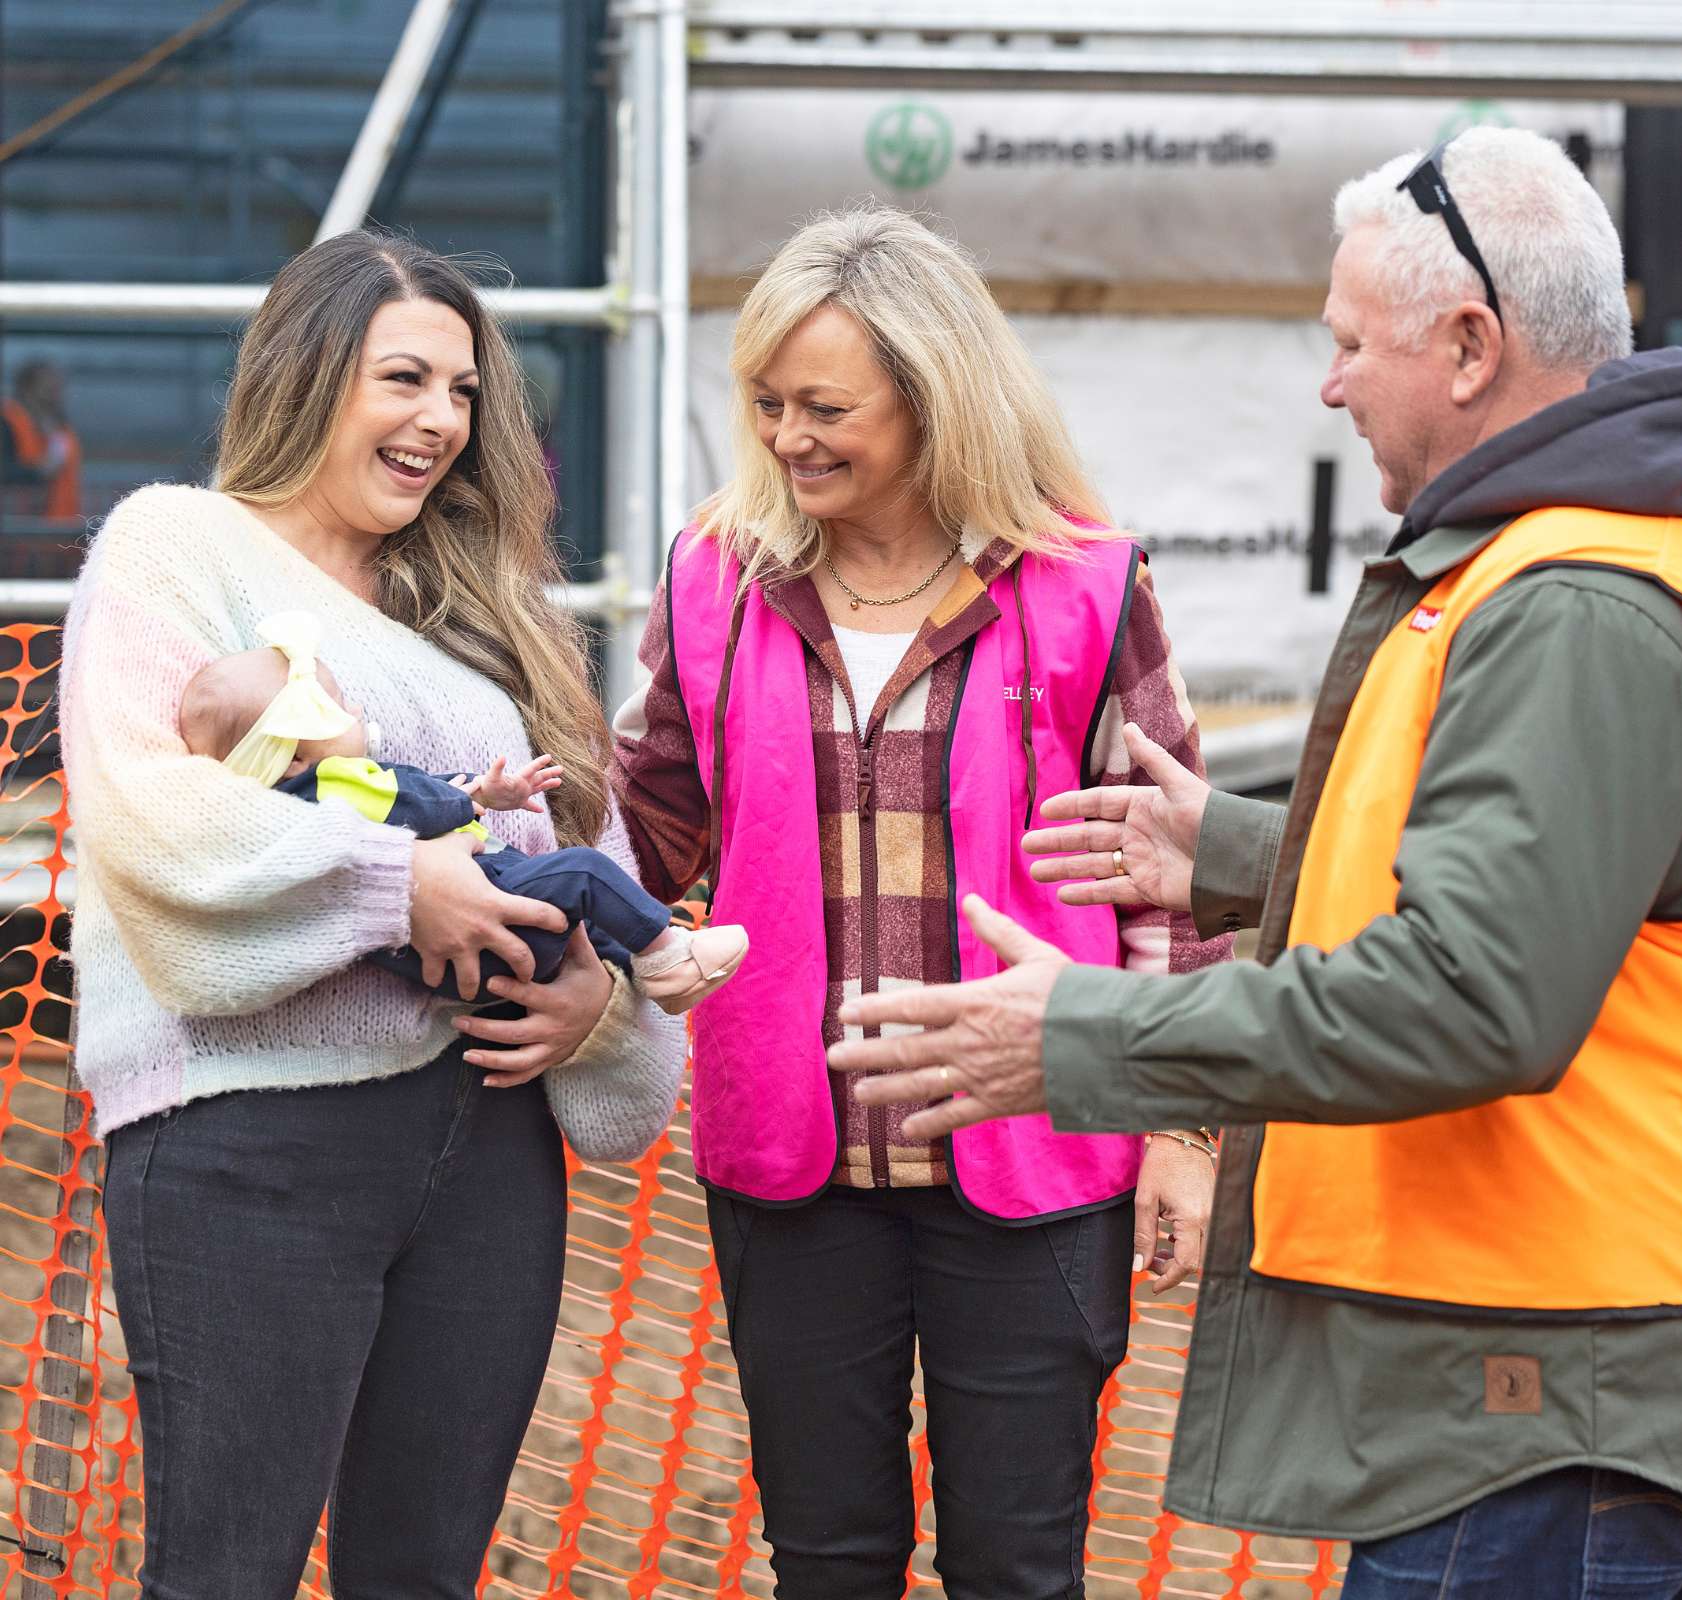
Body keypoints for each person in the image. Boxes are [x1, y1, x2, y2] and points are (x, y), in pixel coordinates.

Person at [829, 128, 1682, 1600]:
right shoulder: (1659, 550)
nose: (1330, 386)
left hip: (1570, 1411)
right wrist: (1249, 855)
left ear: (1468, 345)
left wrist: (1082, 1036)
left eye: (1348, 344)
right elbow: (1593, 888)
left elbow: (1467, 996)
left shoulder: (1580, 599)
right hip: (1636, 1380)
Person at [609, 203, 1232, 1600]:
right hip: (792, 1159)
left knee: (1019, 1567)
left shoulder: (1085, 586)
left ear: (934, 399)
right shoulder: (713, 580)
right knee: (827, 1562)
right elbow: (647, 824)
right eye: (766, 403)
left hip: (1036, 1159)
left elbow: (1173, 881)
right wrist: (521, 849)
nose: (788, 437)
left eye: (827, 405)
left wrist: (1185, 1125)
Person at [60, 229, 685, 1599]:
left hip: (491, 1158)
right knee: (230, 1571)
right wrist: (397, 883)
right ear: (309, 370)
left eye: (462, 393)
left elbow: (601, 863)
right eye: (405, 378)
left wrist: (598, 1010)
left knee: (423, 1575)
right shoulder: (178, 546)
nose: (440, 422)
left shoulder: (501, 620)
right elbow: (145, 816)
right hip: (251, 1141)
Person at [176, 615, 749, 1008]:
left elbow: (412, 795)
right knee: (583, 872)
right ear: (300, 753)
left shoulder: (297, 803)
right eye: (339, 705)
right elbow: (419, 805)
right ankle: (667, 961)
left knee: (585, 906)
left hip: (456, 961)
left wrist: (473, 792)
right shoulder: (335, 784)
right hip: (495, 924)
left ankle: (632, 961)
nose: (357, 708)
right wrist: (475, 796)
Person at [2, 359, 83, 519]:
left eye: (56, 389)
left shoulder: (60, 427)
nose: (54, 395)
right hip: (19, 530)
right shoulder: (8, 421)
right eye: (46, 389)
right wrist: (37, 472)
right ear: (26, 389)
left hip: (61, 526)